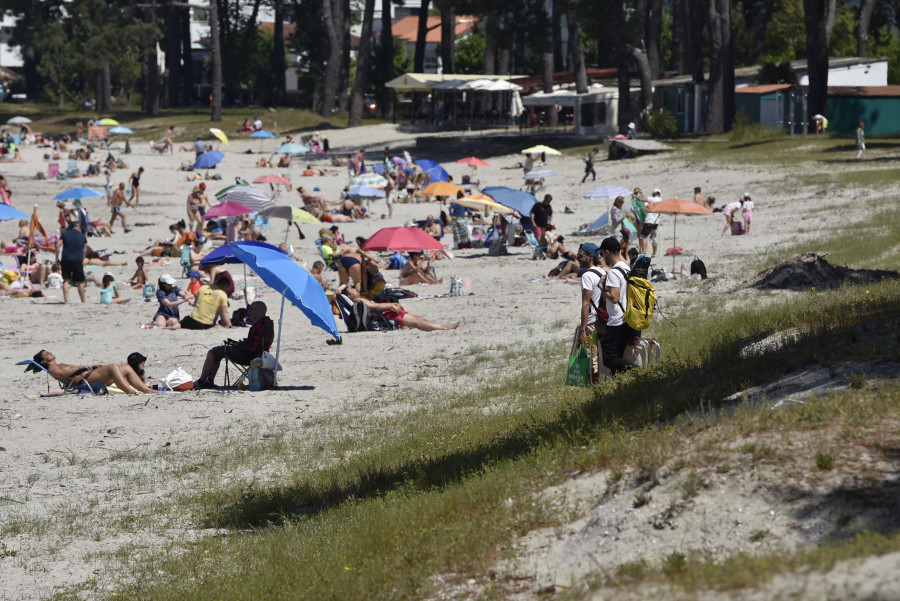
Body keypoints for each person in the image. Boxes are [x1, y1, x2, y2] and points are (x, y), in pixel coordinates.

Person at [193, 301, 274, 389]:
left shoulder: (261, 325)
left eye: (251, 309)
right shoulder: (267, 323)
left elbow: (253, 348)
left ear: (260, 310)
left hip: (250, 357)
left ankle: (202, 381)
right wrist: (237, 343)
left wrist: (238, 345)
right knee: (218, 353)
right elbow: (254, 344)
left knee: (213, 352)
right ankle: (209, 381)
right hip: (257, 355)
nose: (249, 312)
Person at [30, 349, 157, 395]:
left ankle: (146, 389)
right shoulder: (53, 368)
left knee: (125, 367)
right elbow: (63, 375)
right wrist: (80, 368)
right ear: (43, 361)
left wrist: (92, 366)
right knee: (113, 367)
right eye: (46, 354)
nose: (50, 353)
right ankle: (130, 392)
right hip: (82, 381)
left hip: (86, 375)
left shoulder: (59, 365)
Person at [598, 237, 639, 375]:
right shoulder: (626, 268)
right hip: (627, 317)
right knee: (618, 355)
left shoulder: (614, 272)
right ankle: (618, 383)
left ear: (607, 252)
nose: (602, 257)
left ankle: (638, 370)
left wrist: (601, 288)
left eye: (602, 253)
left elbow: (614, 298)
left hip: (616, 320)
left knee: (609, 359)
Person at [338, 285, 459, 331]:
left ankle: (443, 327)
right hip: (387, 315)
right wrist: (391, 305)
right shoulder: (359, 302)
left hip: (386, 313)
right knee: (418, 321)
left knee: (418, 319)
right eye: (352, 289)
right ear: (349, 296)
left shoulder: (359, 302)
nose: (355, 289)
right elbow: (374, 307)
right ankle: (444, 327)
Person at [577, 242, 605, 382]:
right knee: (600, 354)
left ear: (590, 257)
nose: (577, 258)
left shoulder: (587, 276)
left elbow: (586, 303)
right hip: (604, 319)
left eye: (580, 255)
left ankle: (594, 384)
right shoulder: (603, 272)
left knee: (591, 356)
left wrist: (583, 328)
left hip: (592, 321)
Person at [168, 272, 233, 330]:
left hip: (192, 319)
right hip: (205, 324)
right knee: (221, 308)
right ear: (224, 286)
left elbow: (196, 302)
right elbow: (224, 312)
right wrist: (230, 325)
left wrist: (192, 302)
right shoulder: (222, 294)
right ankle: (222, 323)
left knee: (180, 324)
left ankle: (167, 328)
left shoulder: (203, 287)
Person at [56, 222, 88, 304]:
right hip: (77, 260)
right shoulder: (82, 236)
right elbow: (85, 250)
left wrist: (56, 257)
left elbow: (57, 245)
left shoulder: (65, 234)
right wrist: (82, 259)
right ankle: (83, 301)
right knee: (80, 281)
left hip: (66, 259)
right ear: (78, 227)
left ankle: (66, 302)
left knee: (66, 280)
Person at [638, 189, 661, 256]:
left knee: (643, 236)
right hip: (656, 221)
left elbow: (641, 199)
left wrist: (634, 196)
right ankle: (654, 253)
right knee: (654, 238)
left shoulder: (652, 199)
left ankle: (644, 252)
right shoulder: (661, 200)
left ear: (654, 193)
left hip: (649, 220)